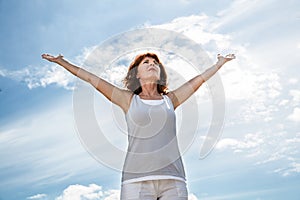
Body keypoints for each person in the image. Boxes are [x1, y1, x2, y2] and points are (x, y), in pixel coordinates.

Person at [42, 52, 235, 200]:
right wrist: (62, 62)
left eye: (155, 63)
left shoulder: (170, 100)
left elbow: (198, 81)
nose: (152, 65)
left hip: (174, 179)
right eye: (146, 63)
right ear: (137, 73)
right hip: (136, 180)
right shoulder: (128, 99)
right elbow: (93, 79)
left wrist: (219, 64)